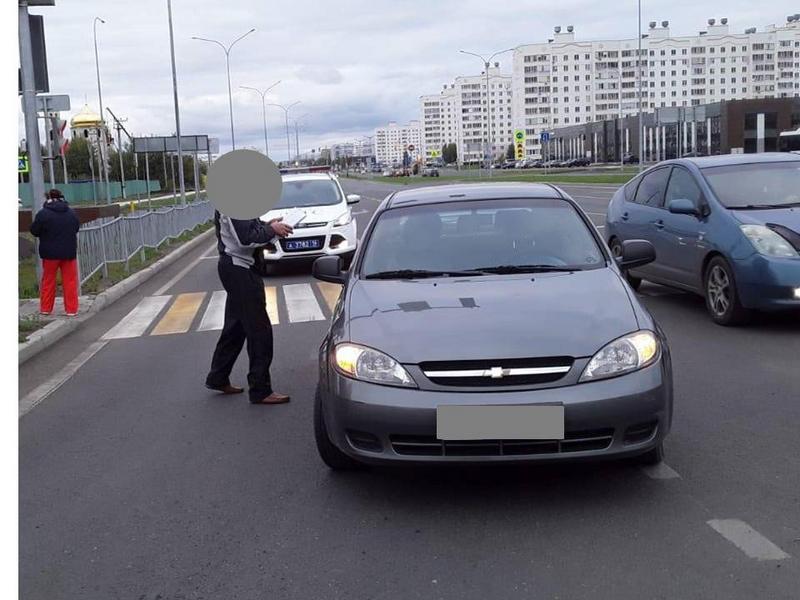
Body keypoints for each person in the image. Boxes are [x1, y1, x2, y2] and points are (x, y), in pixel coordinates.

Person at [205, 211, 293, 404]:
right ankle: (260, 389)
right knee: (259, 330)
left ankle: (218, 377)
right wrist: (272, 230)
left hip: (237, 268)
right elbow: (245, 238)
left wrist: (267, 224)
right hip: (240, 270)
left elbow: (248, 226)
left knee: (235, 328)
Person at [29, 189, 81, 317]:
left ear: (48, 198)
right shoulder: (71, 213)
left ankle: (46, 309)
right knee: (70, 281)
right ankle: (71, 310)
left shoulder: (43, 214)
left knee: (48, 281)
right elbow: (76, 228)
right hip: (69, 253)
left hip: (50, 254)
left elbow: (34, 231)